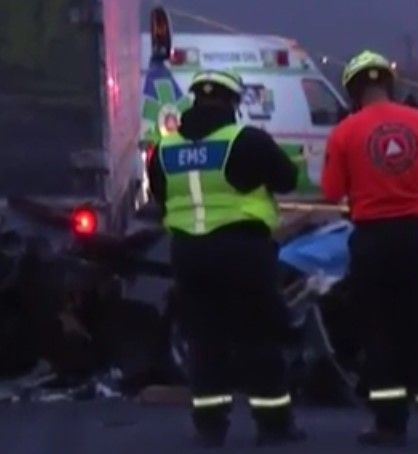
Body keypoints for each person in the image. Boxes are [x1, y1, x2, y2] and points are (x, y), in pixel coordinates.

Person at [147, 69, 304, 447]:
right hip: (242, 250)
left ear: (195, 101)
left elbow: (160, 196)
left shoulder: (165, 149)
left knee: (203, 339)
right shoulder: (246, 140)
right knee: (259, 336)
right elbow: (287, 180)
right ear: (232, 102)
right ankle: (273, 425)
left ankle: (210, 427)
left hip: (189, 253)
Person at [321, 50, 418, 446]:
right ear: (389, 83)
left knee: (378, 333)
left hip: (372, 241)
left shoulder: (345, 131)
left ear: (353, 90)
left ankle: (389, 424)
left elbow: (331, 191)